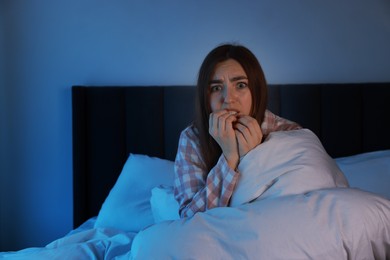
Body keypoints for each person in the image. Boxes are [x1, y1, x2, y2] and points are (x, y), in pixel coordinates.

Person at [173, 44, 301, 218]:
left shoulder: (290, 133)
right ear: (205, 97)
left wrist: (251, 157)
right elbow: (189, 219)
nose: (228, 99)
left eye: (240, 85)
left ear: (256, 90)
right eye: (216, 88)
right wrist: (229, 157)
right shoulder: (192, 139)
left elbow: (298, 210)